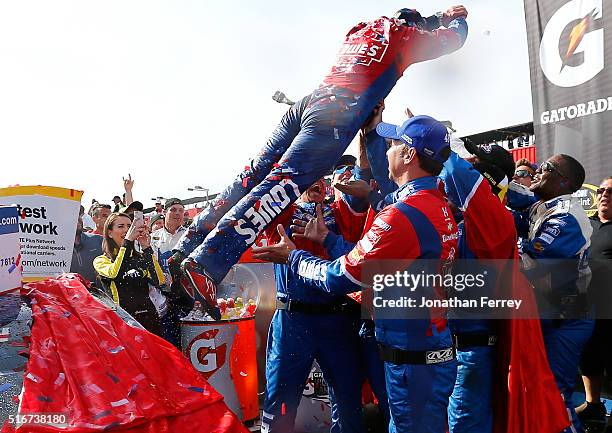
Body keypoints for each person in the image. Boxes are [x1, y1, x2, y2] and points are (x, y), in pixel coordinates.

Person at [169, 6, 469, 320]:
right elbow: (455, 39)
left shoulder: (362, 28)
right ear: (416, 27)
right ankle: (204, 265)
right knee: (280, 186)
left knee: (252, 175)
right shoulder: (405, 37)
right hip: (336, 116)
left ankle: (187, 245)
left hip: (309, 103)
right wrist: (454, 18)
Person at [253, 115, 459, 433]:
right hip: (298, 321)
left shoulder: (394, 213)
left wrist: (294, 256)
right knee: (280, 405)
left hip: (380, 337)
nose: (317, 180)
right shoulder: (433, 202)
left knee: (351, 405)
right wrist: (369, 131)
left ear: (408, 155)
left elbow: (344, 274)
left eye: (393, 145)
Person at [259, 178, 368, 433]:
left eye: (321, 176)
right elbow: (272, 187)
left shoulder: (340, 211)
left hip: (336, 319)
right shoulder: (283, 212)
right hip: (292, 320)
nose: (316, 182)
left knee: (347, 397)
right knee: (280, 403)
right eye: (310, 177)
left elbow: (362, 203)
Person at [508, 154, 595, 433]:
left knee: (554, 395)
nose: (537, 171)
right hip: (546, 311)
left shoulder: (567, 216)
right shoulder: (544, 204)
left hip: (567, 319)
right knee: (535, 389)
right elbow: (509, 193)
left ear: (563, 181)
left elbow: (532, 265)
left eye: (546, 168)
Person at [576, 176, 612, 431]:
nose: (603, 195)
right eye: (601, 190)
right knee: (590, 359)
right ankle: (593, 404)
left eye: (610, 191)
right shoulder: (586, 225)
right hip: (588, 307)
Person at [93, 212, 165, 336]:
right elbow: (114, 273)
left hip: (149, 320)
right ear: (109, 233)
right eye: (121, 226)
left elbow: (159, 281)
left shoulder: (141, 257)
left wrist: (146, 248)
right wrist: (128, 242)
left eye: (129, 226)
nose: (126, 230)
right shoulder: (101, 260)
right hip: (123, 323)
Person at [151, 198, 187, 346]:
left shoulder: (191, 235)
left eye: (181, 210)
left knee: (187, 339)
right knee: (167, 341)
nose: (177, 213)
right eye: (173, 210)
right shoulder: (153, 236)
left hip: (186, 296)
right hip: (162, 296)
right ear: (164, 212)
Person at [71, 205, 103, 285]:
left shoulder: (98, 240)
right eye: (70, 216)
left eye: (78, 215)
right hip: (72, 295)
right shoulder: (55, 248)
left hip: (100, 295)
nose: (76, 218)